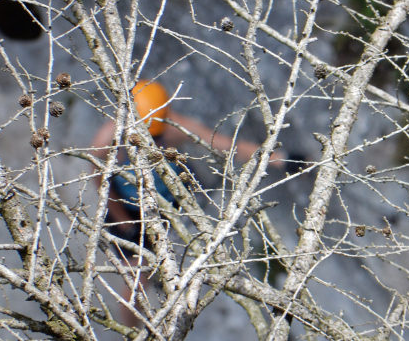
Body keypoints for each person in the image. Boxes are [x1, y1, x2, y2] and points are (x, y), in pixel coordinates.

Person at [92, 79, 295, 327]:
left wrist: (279, 159)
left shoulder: (171, 127)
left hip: (166, 205)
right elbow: (103, 187)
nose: (151, 143)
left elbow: (225, 146)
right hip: (129, 213)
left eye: (155, 136)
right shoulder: (104, 146)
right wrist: (126, 225)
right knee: (136, 281)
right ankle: (130, 330)